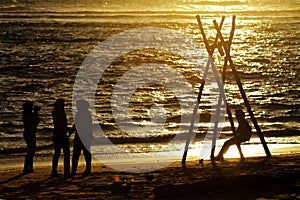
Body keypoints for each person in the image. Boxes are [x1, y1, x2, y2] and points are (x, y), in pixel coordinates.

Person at [69, 100, 93, 176]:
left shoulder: (79, 114)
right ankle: (87, 169)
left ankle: (74, 171)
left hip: (80, 136)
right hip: (86, 136)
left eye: (78, 105)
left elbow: (76, 125)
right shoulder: (87, 114)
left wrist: (70, 132)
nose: (77, 107)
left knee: (76, 154)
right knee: (86, 153)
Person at [51, 99, 70, 177]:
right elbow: (62, 125)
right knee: (66, 153)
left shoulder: (55, 113)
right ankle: (66, 171)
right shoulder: (60, 113)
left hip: (57, 134)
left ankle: (54, 170)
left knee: (57, 153)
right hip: (61, 135)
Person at [22, 101, 40, 174]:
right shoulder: (27, 115)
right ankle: (27, 167)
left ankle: (29, 167)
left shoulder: (26, 114)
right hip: (29, 134)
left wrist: (35, 113)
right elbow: (35, 122)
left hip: (29, 133)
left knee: (31, 150)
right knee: (31, 150)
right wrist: (36, 113)